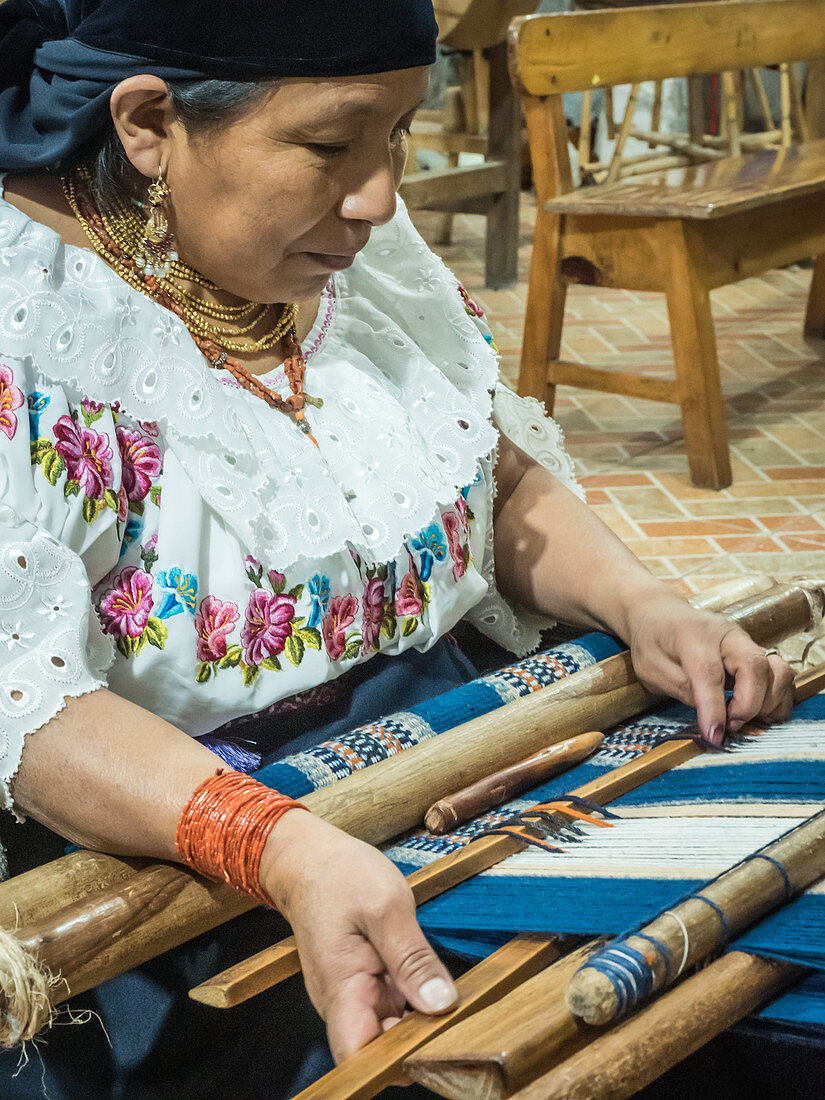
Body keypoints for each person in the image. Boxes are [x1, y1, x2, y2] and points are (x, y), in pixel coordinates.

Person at [0, 0, 795, 1095]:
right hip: (200, 876)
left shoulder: (343, 258)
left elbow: (487, 472)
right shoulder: (29, 331)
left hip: (462, 763)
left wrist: (642, 601)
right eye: (330, 144)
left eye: (398, 138)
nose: (379, 197)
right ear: (148, 124)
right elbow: (26, 702)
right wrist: (281, 846)